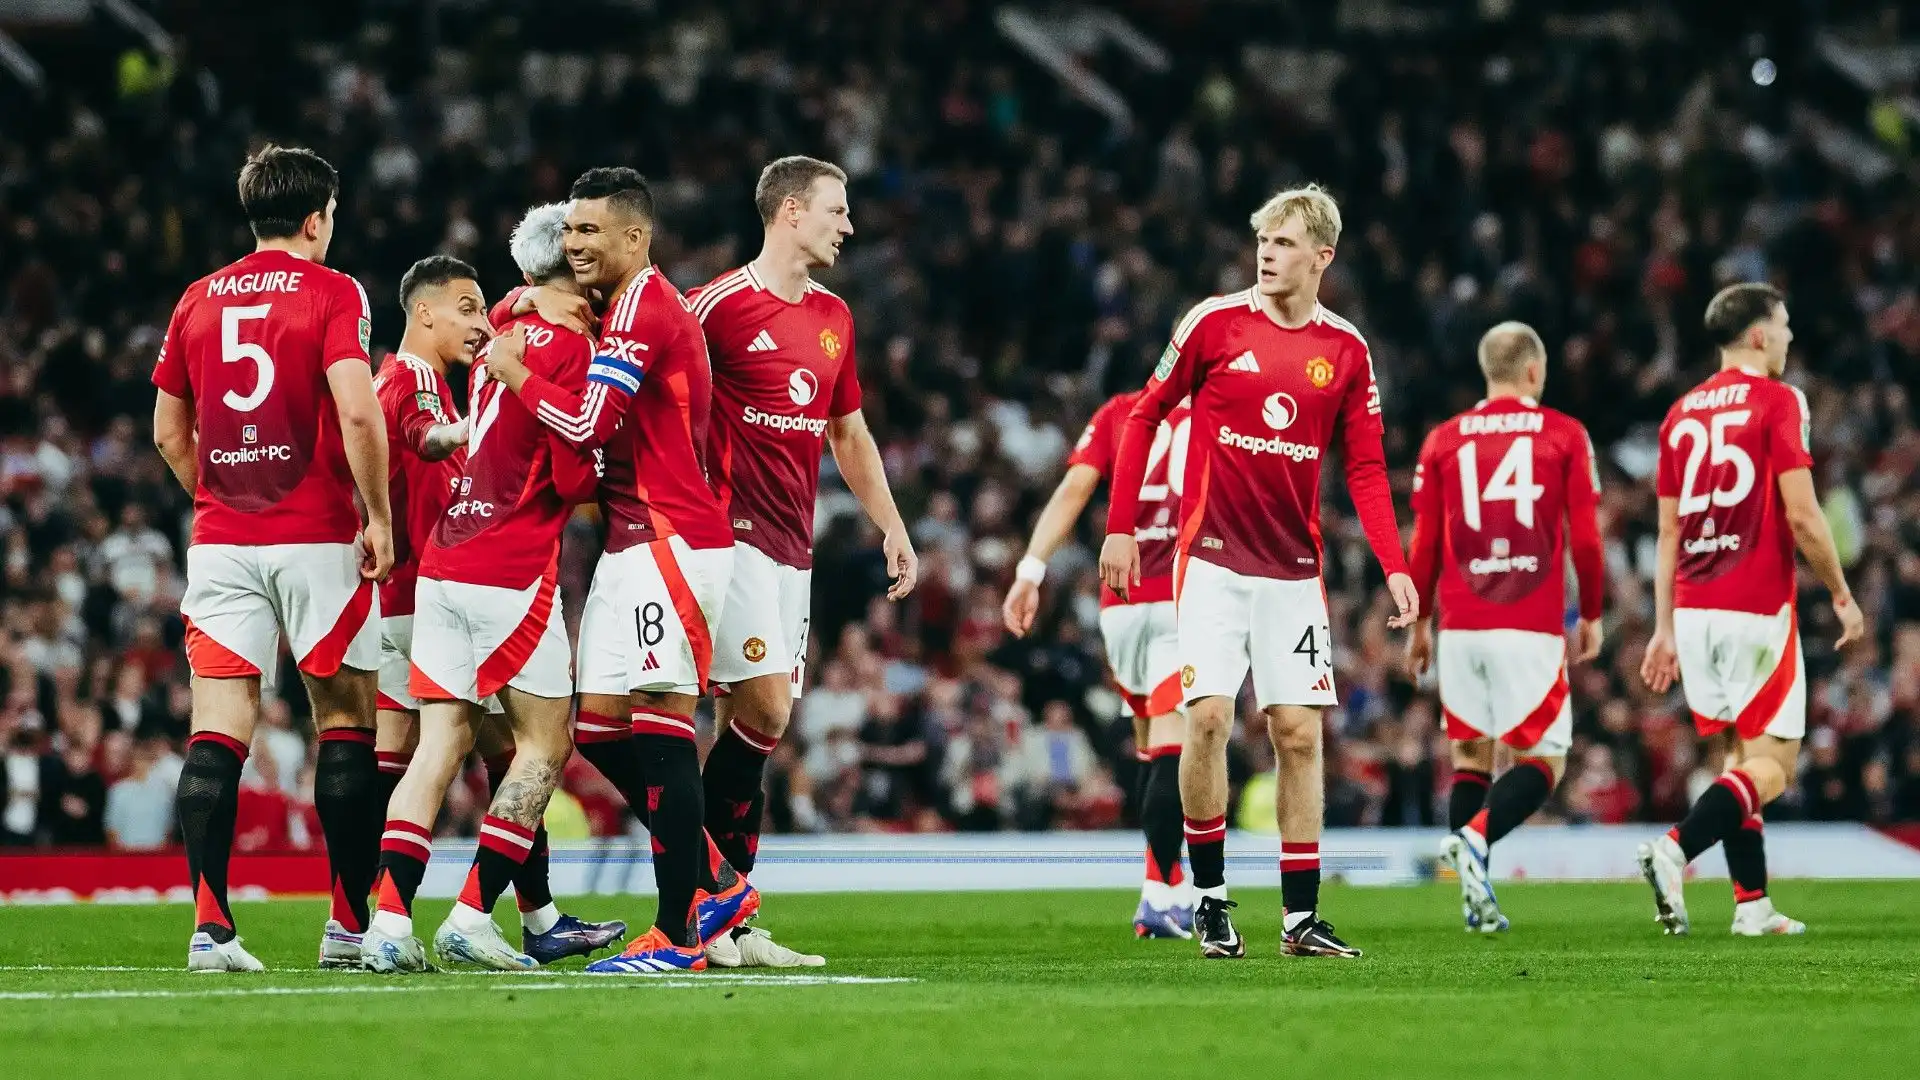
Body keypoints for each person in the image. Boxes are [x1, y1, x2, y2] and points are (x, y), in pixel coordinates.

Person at [1098, 184, 1416, 960]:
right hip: (1208, 560)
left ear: (1321, 256)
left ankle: (1299, 920)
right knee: (1206, 719)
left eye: (1282, 242)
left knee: (1298, 736)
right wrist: (1118, 527)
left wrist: (1395, 565)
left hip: (1293, 571)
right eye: (1262, 241)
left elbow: (1367, 468)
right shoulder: (1212, 323)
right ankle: (1208, 899)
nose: (1266, 254)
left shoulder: (1345, 349)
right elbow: (1144, 415)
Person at [489, 169, 751, 974]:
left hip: (672, 539)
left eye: (590, 233)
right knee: (596, 723)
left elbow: (586, 422)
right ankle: (716, 877)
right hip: (630, 542)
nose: (574, 247)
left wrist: (516, 373)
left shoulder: (642, 307)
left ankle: (680, 934)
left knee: (662, 724)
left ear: (635, 238)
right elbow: (510, 310)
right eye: (569, 233)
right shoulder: (613, 305)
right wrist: (520, 310)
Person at [151, 145, 391, 973]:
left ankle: (211, 931)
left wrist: (217, 497)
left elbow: (166, 431)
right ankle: (348, 929)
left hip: (222, 543)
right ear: (318, 216)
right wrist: (380, 519)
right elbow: (360, 416)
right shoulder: (334, 291)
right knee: (346, 722)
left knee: (216, 734)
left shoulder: (196, 298)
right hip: (317, 535)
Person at [363, 208, 607, 972]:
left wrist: (519, 306)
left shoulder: (506, 332)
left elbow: (503, 312)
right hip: (510, 567)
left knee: (440, 746)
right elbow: (572, 471)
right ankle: (472, 913)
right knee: (544, 744)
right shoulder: (568, 349)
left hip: (442, 561)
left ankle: (387, 927)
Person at [689, 156, 916, 966]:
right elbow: (653, 396)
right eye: (836, 210)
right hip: (728, 537)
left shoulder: (834, 318)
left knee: (747, 728)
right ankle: (709, 904)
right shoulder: (714, 307)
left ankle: (726, 925)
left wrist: (892, 525)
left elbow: (847, 433)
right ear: (790, 212)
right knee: (770, 710)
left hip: (794, 548)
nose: (848, 225)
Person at [1637, 282, 1864, 937]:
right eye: (1785, 325)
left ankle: (1751, 905)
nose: (1790, 337)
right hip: (1755, 606)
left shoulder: (1680, 415)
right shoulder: (1778, 400)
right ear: (1760, 334)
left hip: (1696, 610)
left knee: (1738, 758)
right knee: (1777, 766)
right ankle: (1674, 849)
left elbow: (1669, 532)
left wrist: (1662, 626)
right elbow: (1801, 512)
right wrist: (1842, 594)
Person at [1404, 321, 1607, 932]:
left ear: (1486, 371)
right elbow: (1588, 541)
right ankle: (1472, 842)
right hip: (1528, 619)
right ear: (1534, 372)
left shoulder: (1444, 439)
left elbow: (1426, 543)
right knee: (1546, 759)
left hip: (1461, 623)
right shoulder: (1564, 433)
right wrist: (1591, 612)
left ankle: (1474, 898)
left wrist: (1419, 625)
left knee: (1472, 753)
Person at [333, 254, 483, 969]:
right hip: (427, 599)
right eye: (467, 308)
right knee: (495, 748)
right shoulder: (415, 384)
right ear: (424, 313)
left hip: (403, 600)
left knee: (393, 759)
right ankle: (398, 918)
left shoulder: (408, 380)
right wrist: (460, 436)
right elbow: (424, 435)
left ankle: (352, 920)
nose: (480, 325)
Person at [1003, 388, 1195, 939]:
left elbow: (1072, 491)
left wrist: (1030, 571)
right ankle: (1163, 894)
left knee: (1149, 745)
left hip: (1122, 607)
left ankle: (1161, 884)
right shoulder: (1217, 410)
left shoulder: (1119, 411)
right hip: (1183, 601)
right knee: (1173, 748)